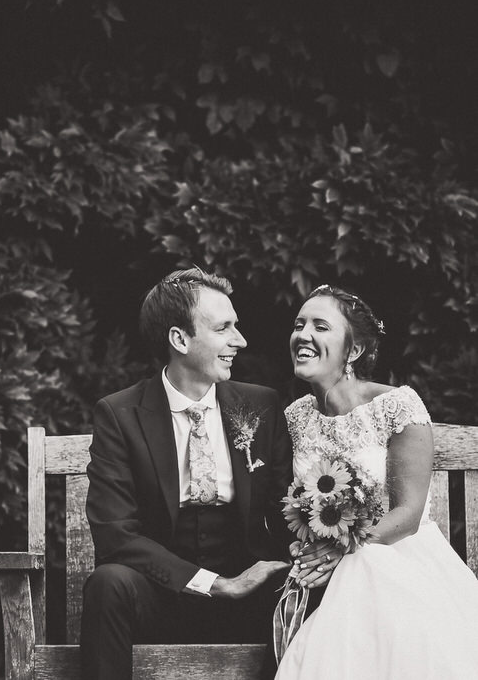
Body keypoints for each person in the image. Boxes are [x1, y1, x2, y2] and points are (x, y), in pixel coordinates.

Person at [81, 268, 294, 679]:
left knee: (302, 587)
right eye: (224, 328)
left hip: (249, 601)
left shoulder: (262, 406)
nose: (240, 341)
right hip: (163, 597)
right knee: (108, 584)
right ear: (179, 339)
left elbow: (284, 507)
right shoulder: (120, 414)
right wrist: (214, 583)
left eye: (238, 326)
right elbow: (114, 533)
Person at [274, 285, 478, 678]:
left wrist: (344, 550)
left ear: (353, 351)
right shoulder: (296, 416)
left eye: (320, 326)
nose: (303, 335)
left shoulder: (396, 406)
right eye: (299, 325)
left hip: (397, 554)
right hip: (324, 563)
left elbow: (409, 513)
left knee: (364, 580)